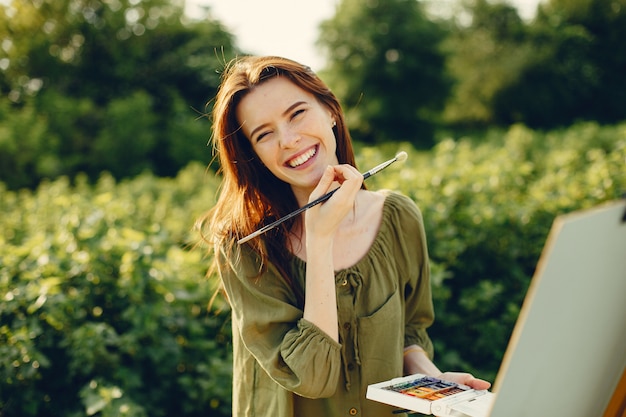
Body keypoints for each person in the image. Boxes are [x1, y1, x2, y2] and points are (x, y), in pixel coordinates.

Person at [198, 55, 490, 417]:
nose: (288, 140)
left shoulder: (399, 218)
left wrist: (436, 385)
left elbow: (409, 331)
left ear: (330, 112)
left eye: (297, 114)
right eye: (264, 134)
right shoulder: (245, 245)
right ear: (254, 155)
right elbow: (313, 378)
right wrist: (320, 240)